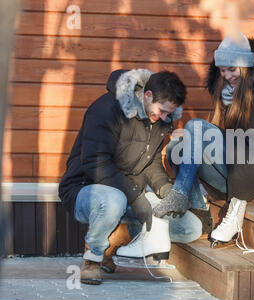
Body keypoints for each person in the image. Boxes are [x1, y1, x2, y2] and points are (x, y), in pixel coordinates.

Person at [152, 34, 254, 248]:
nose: (227, 75)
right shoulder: (232, 92)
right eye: (222, 70)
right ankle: (200, 211)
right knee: (176, 147)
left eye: (232, 69)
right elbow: (232, 138)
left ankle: (182, 194)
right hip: (233, 166)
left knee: (195, 126)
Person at [58, 69, 202, 285]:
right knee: (113, 200)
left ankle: (114, 240)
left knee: (190, 227)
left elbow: (151, 163)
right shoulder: (106, 109)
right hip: (86, 189)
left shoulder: (160, 119)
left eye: (168, 114)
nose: (164, 118)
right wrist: (136, 198)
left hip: (131, 193)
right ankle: (93, 258)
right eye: (161, 111)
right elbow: (95, 163)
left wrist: (165, 190)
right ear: (148, 95)